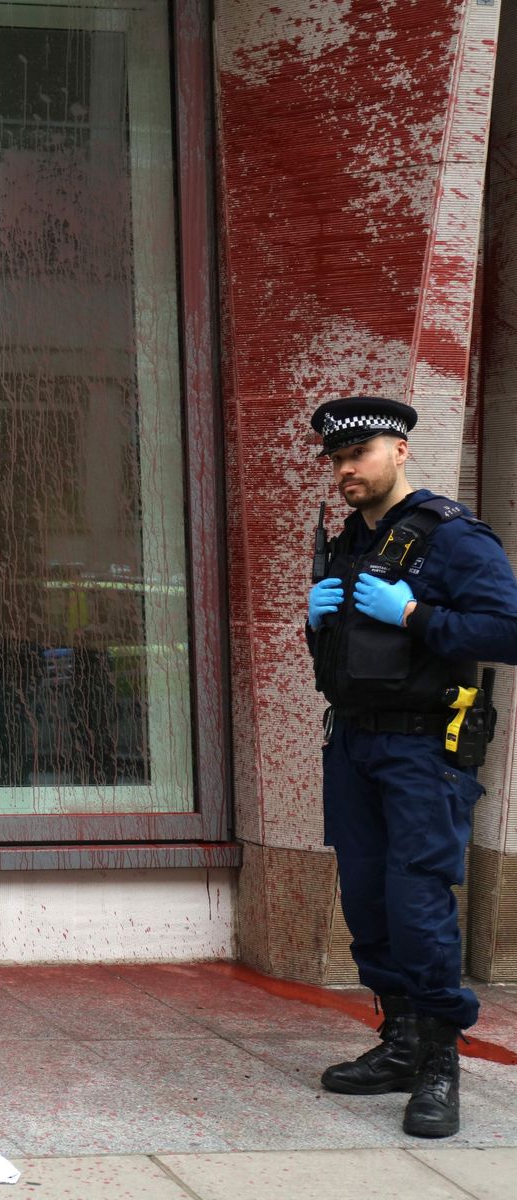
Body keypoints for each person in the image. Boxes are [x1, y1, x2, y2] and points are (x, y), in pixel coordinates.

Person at [305, 396, 517, 1139]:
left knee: (416, 903)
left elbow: (506, 630)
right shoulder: (350, 540)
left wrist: (414, 617)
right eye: (335, 459)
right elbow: (339, 660)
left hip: (426, 750)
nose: (344, 471)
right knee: (366, 901)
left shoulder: (453, 538)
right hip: (355, 743)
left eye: (357, 455)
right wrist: (315, 620)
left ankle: (438, 1062)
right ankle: (398, 1041)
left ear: (399, 451)